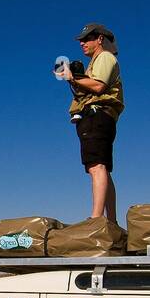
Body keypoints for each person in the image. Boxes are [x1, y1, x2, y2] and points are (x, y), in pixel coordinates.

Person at [61, 22, 124, 221]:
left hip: (97, 116)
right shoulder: (95, 61)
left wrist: (73, 79)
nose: (82, 43)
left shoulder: (105, 57)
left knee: (96, 167)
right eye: (81, 40)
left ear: (100, 39)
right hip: (98, 117)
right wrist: (75, 78)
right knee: (102, 167)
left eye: (87, 38)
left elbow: (98, 86)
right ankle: (110, 221)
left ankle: (96, 219)